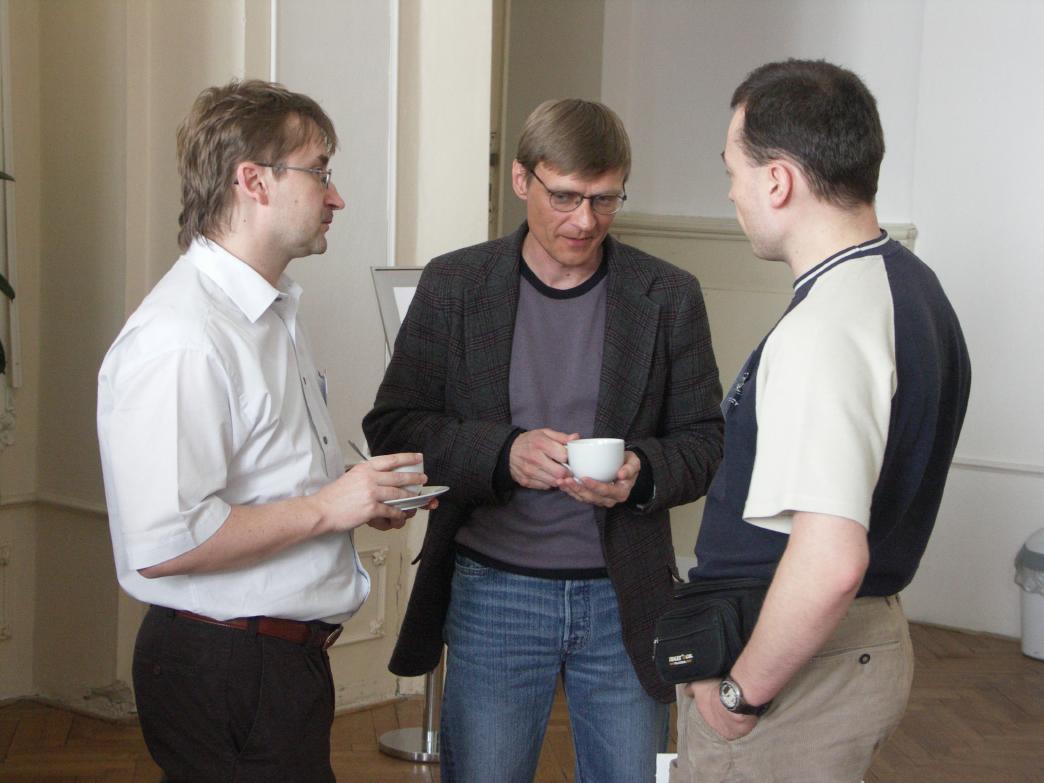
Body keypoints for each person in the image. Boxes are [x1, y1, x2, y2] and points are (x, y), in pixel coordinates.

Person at [363, 98, 724, 783]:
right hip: (493, 593)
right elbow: (395, 425)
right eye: (565, 197)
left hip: (625, 594)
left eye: (604, 199)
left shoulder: (668, 294)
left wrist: (642, 472)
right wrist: (504, 453)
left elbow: (706, 440)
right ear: (521, 180)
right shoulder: (455, 284)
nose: (584, 221)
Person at [97, 80, 430, 783]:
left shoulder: (267, 314)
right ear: (253, 181)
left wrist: (357, 498)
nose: (336, 197)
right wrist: (329, 507)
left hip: (272, 663)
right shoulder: (183, 336)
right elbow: (164, 541)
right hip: (224, 666)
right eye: (320, 172)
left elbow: (267, 479)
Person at [671, 59, 972, 782]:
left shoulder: (827, 328)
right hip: (847, 645)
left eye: (733, 172)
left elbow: (832, 561)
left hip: (797, 664)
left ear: (777, 181)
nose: (733, 193)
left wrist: (741, 694)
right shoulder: (910, 284)